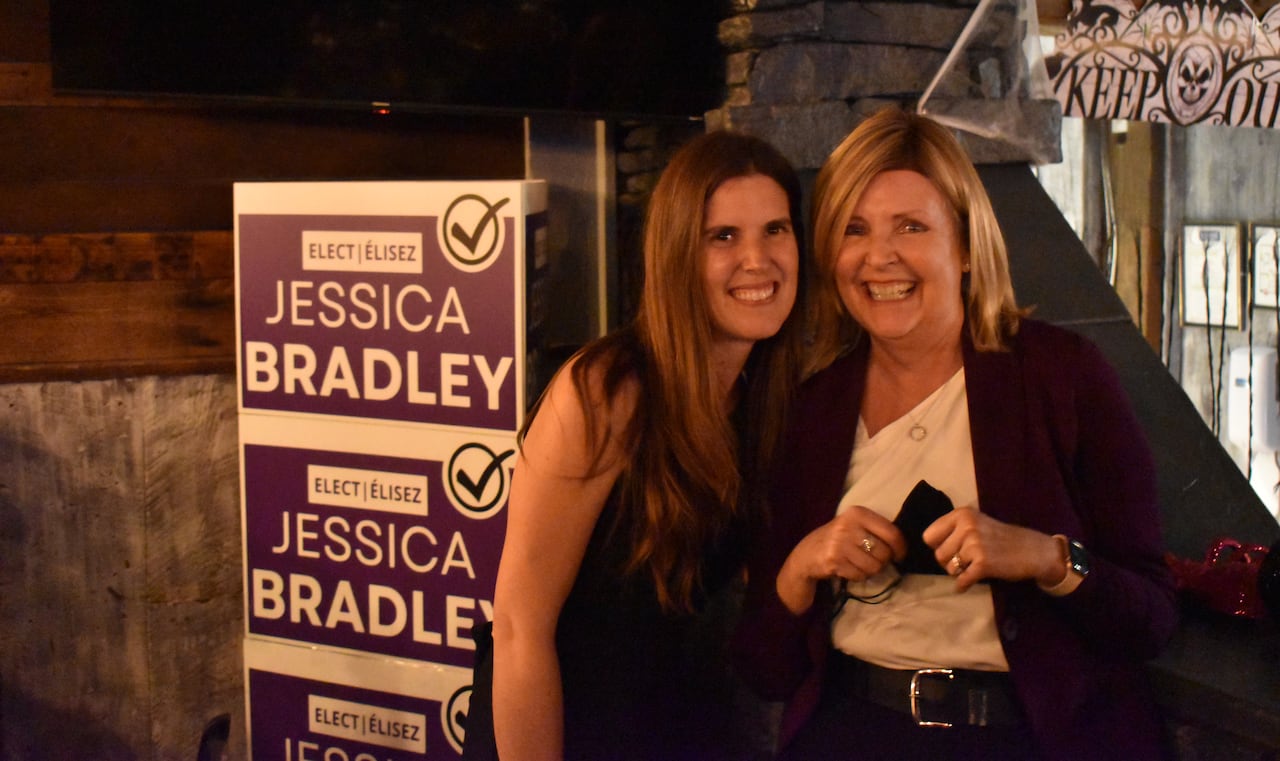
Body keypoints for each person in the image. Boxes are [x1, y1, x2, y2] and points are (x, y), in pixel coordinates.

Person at [733, 106, 1178, 760]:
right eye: (853, 229)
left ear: (966, 247)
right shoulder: (811, 405)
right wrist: (803, 564)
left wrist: (1045, 558)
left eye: (911, 226)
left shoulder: (1063, 375)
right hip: (852, 732)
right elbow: (763, 668)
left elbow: (1152, 619)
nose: (879, 256)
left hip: (1021, 736)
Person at [463, 129, 808, 761]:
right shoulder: (607, 390)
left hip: (671, 725)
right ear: (677, 252)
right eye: (723, 236)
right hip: (561, 729)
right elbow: (519, 629)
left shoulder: (771, 395)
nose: (757, 260)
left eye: (776, 230)